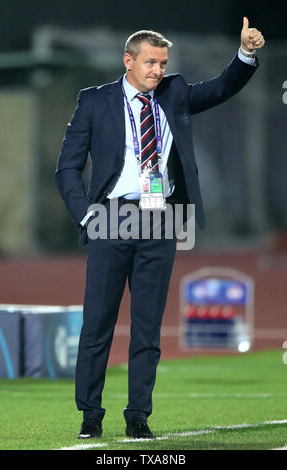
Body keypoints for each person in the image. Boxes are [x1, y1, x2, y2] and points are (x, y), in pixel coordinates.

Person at [55, 17, 265, 439]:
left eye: (163, 63)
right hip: (110, 220)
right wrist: (86, 214)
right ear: (128, 61)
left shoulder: (175, 93)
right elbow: (67, 169)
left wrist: (245, 54)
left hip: (160, 220)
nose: (158, 71)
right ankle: (90, 415)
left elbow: (223, 87)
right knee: (98, 323)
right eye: (150, 62)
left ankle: (138, 417)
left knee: (148, 327)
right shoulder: (94, 102)